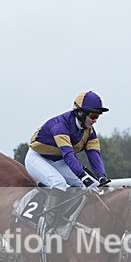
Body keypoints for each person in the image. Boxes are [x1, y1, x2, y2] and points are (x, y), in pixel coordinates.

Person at [24, 90, 112, 229]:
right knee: (59, 183)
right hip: (38, 158)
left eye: (98, 116)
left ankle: (74, 221)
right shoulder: (60, 126)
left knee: (92, 186)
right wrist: (83, 176)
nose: (96, 119)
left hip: (59, 161)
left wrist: (101, 177)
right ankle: (47, 227)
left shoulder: (89, 131)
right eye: (94, 115)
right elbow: (68, 155)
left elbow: (94, 154)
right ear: (81, 113)